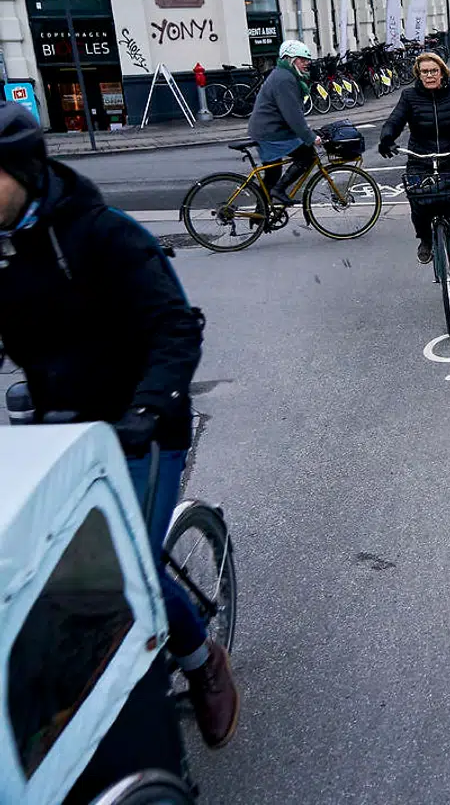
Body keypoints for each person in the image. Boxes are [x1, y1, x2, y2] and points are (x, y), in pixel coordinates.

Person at [0, 102, 240, 747]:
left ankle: (201, 662)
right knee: (34, 565)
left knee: (119, 562)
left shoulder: (104, 233)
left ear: (23, 169)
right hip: (56, 429)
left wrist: (148, 407)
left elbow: (173, 326)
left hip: (141, 427)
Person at [378, 53, 450, 284]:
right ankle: (425, 239)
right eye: (424, 72)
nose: (429, 75)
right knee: (418, 204)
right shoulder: (409, 96)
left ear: (442, 72)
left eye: (433, 71)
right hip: (420, 158)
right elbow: (394, 120)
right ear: (419, 74)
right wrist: (387, 137)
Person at [247, 39, 317, 206]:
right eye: (302, 59)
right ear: (290, 60)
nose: (306, 63)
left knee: (272, 174)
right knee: (308, 155)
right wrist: (310, 137)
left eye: (307, 59)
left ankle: (260, 214)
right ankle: (279, 191)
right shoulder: (284, 79)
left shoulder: (285, 75)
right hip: (271, 132)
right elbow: (292, 114)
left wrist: (307, 131)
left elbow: (293, 113)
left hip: (269, 129)